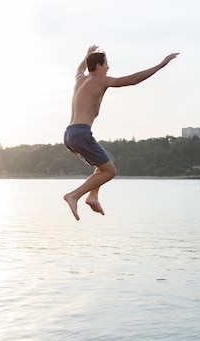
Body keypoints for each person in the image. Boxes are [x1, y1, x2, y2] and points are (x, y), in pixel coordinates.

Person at [63, 45, 179, 220]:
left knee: (107, 160)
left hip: (69, 134)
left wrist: (87, 56)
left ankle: (92, 196)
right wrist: (161, 64)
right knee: (110, 172)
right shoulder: (101, 81)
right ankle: (74, 195)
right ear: (99, 66)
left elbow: (79, 69)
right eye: (106, 64)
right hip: (81, 134)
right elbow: (133, 80)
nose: (108, 68)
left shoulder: (80, 80)